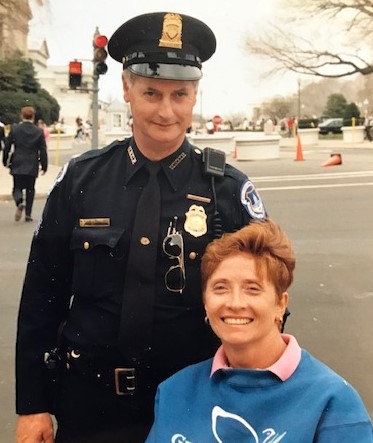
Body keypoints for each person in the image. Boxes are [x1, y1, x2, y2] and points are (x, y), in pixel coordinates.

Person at [15, 12, 267, 443]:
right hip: (89, 407)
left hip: (197, 406)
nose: (166, 110)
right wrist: (32, 405)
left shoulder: (228, 190)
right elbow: (42, 297)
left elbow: (266, 303)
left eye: (180, 94)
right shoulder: (81, 180)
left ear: (194, 96)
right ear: (127, 89)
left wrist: (256, 397)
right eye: (152, 92)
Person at [146, 219, 373, 442]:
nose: (235, 303)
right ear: (206, 301)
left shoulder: (331, 401)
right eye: (220, 288)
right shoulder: (174, 393)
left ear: (280, 304)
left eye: (252, 289)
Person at [3, 106, 47, 222]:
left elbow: (7, 146)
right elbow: (42, 150)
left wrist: (5, 159)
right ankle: (28, 214)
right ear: (33, 116)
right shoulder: (39, 131)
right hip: (32, 163)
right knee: (30, 189)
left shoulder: (15, 129)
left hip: (17, 161)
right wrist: (44, 165)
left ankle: (19, 202)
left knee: (16, 187)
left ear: (21, 116)